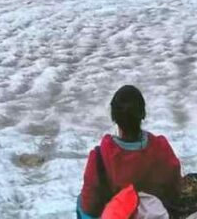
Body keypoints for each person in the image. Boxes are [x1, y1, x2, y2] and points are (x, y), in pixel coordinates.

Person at [77, 85, 183, 218]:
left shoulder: (100, 157)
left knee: (81, 201)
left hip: (117, 214)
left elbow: (89, 205)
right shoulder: (161, 147)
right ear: (143, 113)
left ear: (114, 117)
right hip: (156, 213)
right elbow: (175, 187)